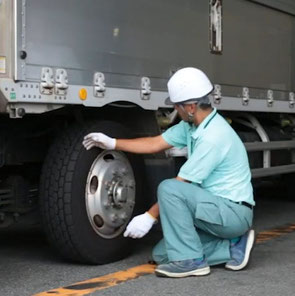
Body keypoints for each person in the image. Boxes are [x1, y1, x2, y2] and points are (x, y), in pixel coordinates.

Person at [82, 67, 255, 278]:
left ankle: (192, 262)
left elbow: (182, 184)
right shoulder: (193, 125)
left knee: (170, 188)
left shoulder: (213, 137)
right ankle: (232, 248)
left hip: (232, 214)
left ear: (191, 107)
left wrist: (148, 217)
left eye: (177, 105)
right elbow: (155, 143)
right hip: (214, 210)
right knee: (163, 254)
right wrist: (112, 143)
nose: (175, 109)